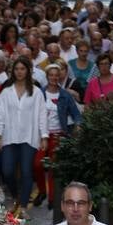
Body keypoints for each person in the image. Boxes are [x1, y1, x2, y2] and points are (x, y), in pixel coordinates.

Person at [0, 56, 48, 219]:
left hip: (29, 137)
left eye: (22, 69)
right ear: (12, 71)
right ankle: (18, 196)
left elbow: (42, 115)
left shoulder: (37, 92)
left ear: (28, 71)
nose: (19, 72)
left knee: (26, 172)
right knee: (7, 171)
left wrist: (44, 135)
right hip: (9, 137)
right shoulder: (6, 91)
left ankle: (23, 206)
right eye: (16, 69)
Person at [33, 65, 82, 209]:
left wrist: (78, 125)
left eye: (56, 75)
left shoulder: (65, 95)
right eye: (51, 75)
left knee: (54, 167)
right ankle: (42, 192)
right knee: (37, 164)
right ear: (47, 76)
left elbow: (76, 114)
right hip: (41, 134)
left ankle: (53, 198)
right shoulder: (39, 93)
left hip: (58, 135)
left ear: (59, 77)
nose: (54, 78)